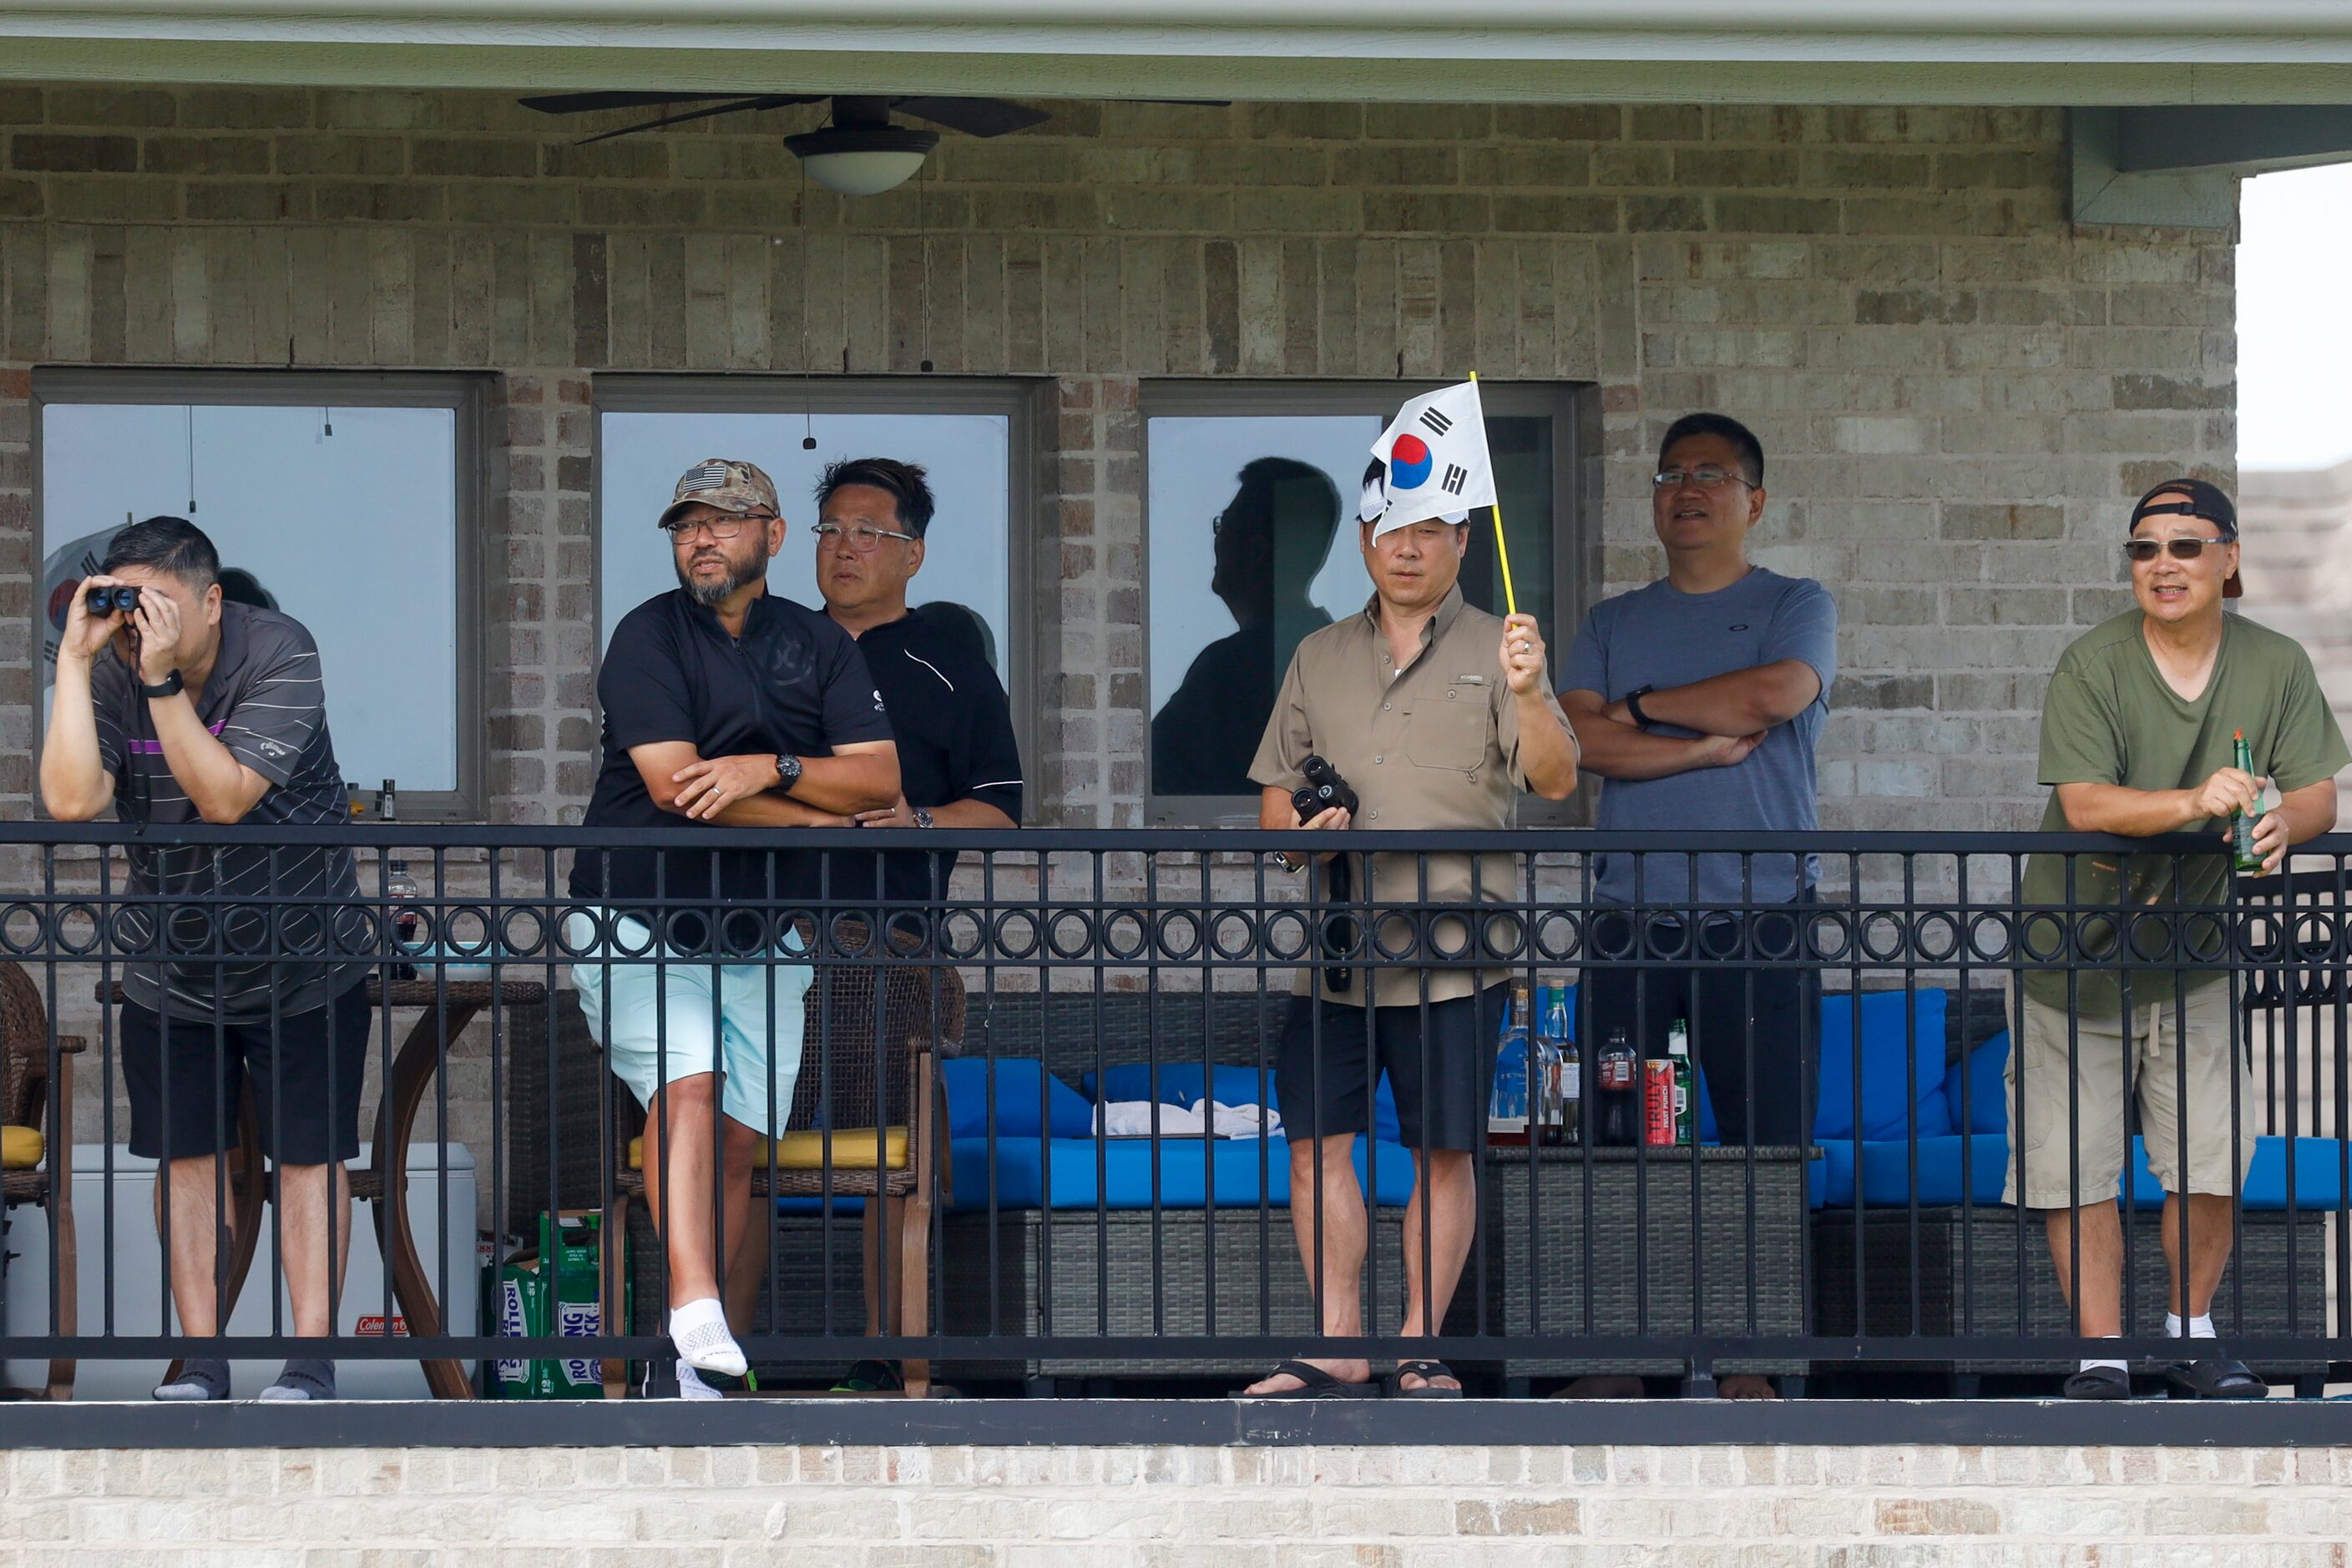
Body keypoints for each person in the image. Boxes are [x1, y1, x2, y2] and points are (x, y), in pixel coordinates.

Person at [567, 458, 900, 1400]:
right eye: (686, 526)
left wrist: (768, 772)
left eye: (722, 521)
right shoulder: (647, 635)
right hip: (638, 919)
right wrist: (818, 819)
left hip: (763, 934)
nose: (701, 539)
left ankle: (697, 1372)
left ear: (772, 536)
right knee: (689, 1086)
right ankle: (697, 1308)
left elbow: (878, 778)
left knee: (739, 1143)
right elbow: (678, 784)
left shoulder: (819, 644)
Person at [1241, 483, 1579, 1399]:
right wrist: (1301, 833)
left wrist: (1531, 689)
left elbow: (1553, 780)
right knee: (1317, 1144)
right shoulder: (1319, 654)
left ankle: (1421, 1345)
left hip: (1457, 952)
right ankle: (1338, 1343)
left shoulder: (1499, 646)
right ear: (1362, 540)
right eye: (1390, 528)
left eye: (1429, 529)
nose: (1406, 547)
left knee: (1444, 1151)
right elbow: (1276, 799)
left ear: (1462, 543)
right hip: (1337, 949)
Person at [2016, 478, 2347, 1401]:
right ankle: (2101, 1355)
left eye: (2186, 545)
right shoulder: (2094, 663)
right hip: (2068, 956)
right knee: (2075, 1161)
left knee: (2212, 1154)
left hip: (2196, 951)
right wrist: (2195, 801)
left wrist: (2290, 824)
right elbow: (2086, 804)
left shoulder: (2275, 664)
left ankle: (2192, 1335)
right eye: (2145, 548)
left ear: (2229, 558)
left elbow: (2318, 786)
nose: (2164, 564)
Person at [41, 515, 370, 1404]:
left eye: (159, 603)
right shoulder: (111, 671)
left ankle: (311, 1363)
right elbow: (72, 800)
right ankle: (201, 1361)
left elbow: (225, 795)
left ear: (212, 600)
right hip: (172, 958)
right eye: (125, 602)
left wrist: (156, 684)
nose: (141, 622)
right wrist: (75, 663)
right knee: (188, 1160)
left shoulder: (279, 651)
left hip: (307, 954)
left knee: (308, 1158)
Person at [1555, 413, 1835, 1400]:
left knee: (1762, 1148)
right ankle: (1617, 1360)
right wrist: (1691, 743)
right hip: (1631, 924)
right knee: (1614, 1144)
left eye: (1712, 475)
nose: (1688, 489)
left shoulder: (1795, 602)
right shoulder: (1610, 622)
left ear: (1752, 501)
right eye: (1672, 473)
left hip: (1761, 923)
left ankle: (1753, 1364)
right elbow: (1578, 748)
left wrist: (1636, 708)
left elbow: (1774, 695)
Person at [812, 457, 1023, 895]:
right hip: (764, 937)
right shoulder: (774, 648)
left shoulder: (955, 670)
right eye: (831, 531)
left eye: (867, 532)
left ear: (914, 554)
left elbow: (999, 810)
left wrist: (917, 820)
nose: (844, 548)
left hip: (896, 935)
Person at [1153, 458, 1342, 798]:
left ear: (1255, 549)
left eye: (1224, 524)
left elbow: (1147, 772)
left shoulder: (1228, 669)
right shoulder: (1339, 654)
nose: (1216, 539)